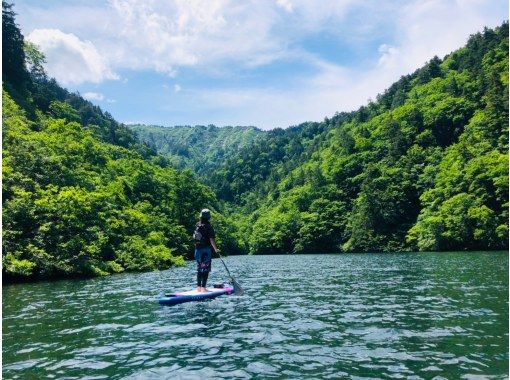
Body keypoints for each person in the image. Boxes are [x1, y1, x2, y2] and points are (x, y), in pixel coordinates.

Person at [193, 208, 220, 292]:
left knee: (199, 268)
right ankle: (203, 288)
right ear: (208, 217)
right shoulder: (209, 226)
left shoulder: (197, 225)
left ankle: (198, 287)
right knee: (206, 268)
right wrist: (216, 249)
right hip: (206, 250)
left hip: (197, 250)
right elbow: (212, 239)